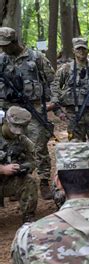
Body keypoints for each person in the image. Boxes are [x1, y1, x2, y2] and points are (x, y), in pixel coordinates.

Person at [0, 27, 55, 200]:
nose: (3, 48)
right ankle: (15, 180)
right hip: (8, 109)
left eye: (6, 45)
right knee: (10, 145)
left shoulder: (36, 57)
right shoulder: (1, 60)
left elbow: (52, 80)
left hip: (33, 108)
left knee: (38, 146)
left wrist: (52, 103)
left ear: (15, 42)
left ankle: (44, 181)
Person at [50, 38, 89, 164]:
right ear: (73, 50)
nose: (81, 51)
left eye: (84, 49)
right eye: (78, 49)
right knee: (75, 147)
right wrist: (58, 112)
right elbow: (54, 89)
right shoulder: (65, 69)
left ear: (88, 50)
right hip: (73, 114)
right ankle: (79, 174)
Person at [0, 106, 37, 223]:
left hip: (8, 182)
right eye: (12, 129)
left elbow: (33, 161)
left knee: (29, 181)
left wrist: (23, 167)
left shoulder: (23, 140)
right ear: (5, 122)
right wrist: (2, 169)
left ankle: (28, 217)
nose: (15, 133)